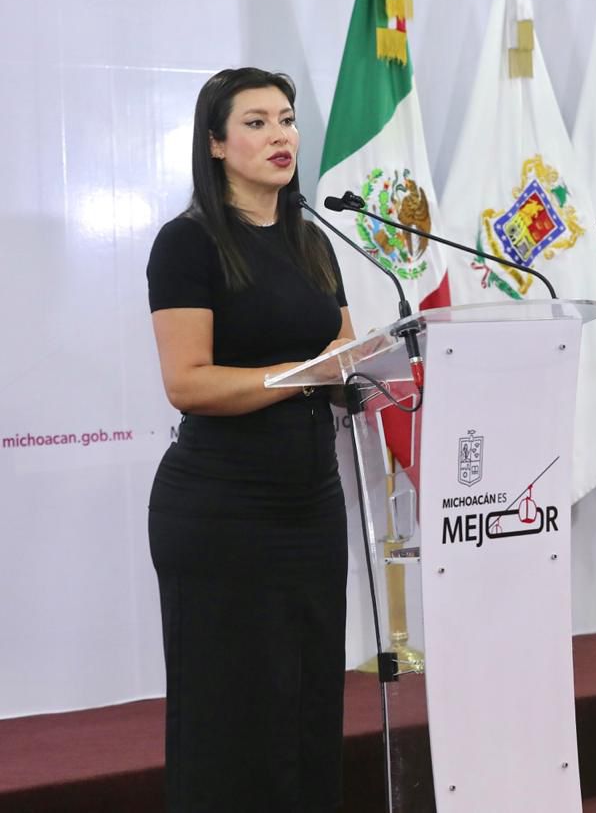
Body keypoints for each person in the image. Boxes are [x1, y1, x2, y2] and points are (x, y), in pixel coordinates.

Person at [146, 68, 354, 811]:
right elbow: (188, 383)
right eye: (257, 122)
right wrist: (302, 376)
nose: (280, 136)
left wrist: (379, 372)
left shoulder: (312, 240)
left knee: (308, 701)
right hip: (222, 509)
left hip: (312, 504)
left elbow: (343, 352)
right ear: (216, 143)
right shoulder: (188, 243)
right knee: (231, 711)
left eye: (287, 120)